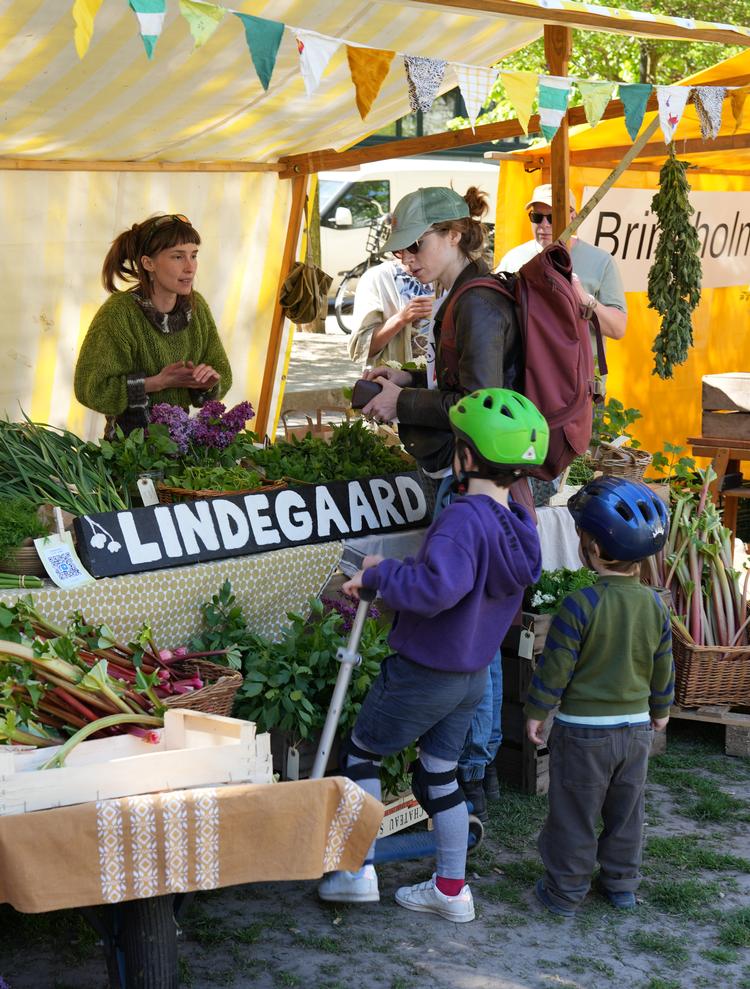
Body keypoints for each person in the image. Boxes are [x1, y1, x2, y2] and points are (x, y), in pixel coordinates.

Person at [318, 388, 548, 922]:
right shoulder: (518, 524)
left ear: (464, 457)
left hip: (425, 668)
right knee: (440, 775)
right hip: (470, 677)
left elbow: (438, 587)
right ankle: (451, 890)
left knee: (362, 753)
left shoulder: (464, 517)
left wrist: (378, 574)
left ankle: (355, 872)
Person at [359, 185, 528, 818]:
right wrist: (406, 377)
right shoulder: (463, 296)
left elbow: (480, 404)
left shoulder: (477, 304)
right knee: (474, 615)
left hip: (473, 473)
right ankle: (461, 768)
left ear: (454, 234)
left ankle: (473, 768)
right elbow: (458, 383)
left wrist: (398, 404)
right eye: (400, 250)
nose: (407, 259)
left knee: (469, 620)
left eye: (417, 244)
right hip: (472, 471)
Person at [524, 476, 673, 918]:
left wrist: (536, 712)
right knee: (626, 811)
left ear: (589, 546)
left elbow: (556, 668)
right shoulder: (655, 605)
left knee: (573, 812)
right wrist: (660, 710)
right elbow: (664, 664)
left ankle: (564, 892)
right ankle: (621, 885)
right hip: (635, 732)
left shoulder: (579, 604)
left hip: (583, 735)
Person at [74, 213, 232, 438]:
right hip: (129, 449)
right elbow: (92, 389)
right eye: (178, 257)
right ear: (149, 263)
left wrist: (206, 383)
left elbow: (222, 372)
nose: (190, 267)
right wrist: (157, 382)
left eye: (194, 255)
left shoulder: (197, 308)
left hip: (183, 442)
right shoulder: (119, 313)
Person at [496, 183, 627, 384]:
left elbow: (618, 328)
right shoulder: (514, 259)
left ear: (573, 217)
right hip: (524, 382)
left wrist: (585, 300)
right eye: (537, 217)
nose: (544, 224)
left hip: (579, 385)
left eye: (552, 217)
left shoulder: (600, 261)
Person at [348, 258, 435, 368]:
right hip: (392, 381)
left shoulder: (447, 272)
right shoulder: (377, 277)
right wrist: (401, 318)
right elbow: (362, 350)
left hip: (443, 380)